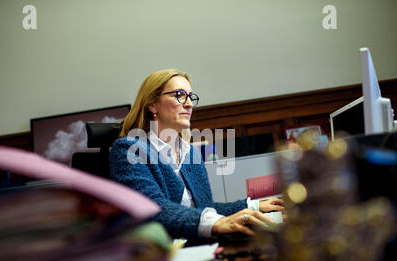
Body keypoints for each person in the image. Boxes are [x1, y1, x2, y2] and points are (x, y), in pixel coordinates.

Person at [109, 69, 284, 241]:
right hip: (166, 256)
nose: (189, 104)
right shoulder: (129, 149)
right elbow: (151, 209)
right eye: (179, 95)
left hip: (200, 247)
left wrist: (254, 206)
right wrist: (217, 223)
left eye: (190, 97)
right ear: (153, 104)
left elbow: (205, 208)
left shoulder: (190, 152)